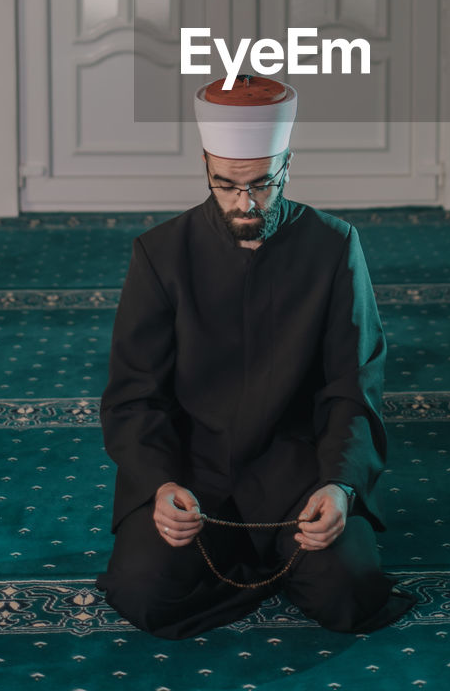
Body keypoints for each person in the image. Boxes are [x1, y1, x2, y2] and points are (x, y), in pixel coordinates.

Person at [95, 75, 417, 639]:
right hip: (192, 471)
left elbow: (354, 383)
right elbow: (134, 394)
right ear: (206, 168)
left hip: (295, 469)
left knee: (349, 592)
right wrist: (158, 485)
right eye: (227, 186)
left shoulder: (334, 244)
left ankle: (262, 568)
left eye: (262, 185)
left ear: (287, 165)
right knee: (143, 592)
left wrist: (339, 485)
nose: (246, 203)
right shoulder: (160, 252)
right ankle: (265, 570)